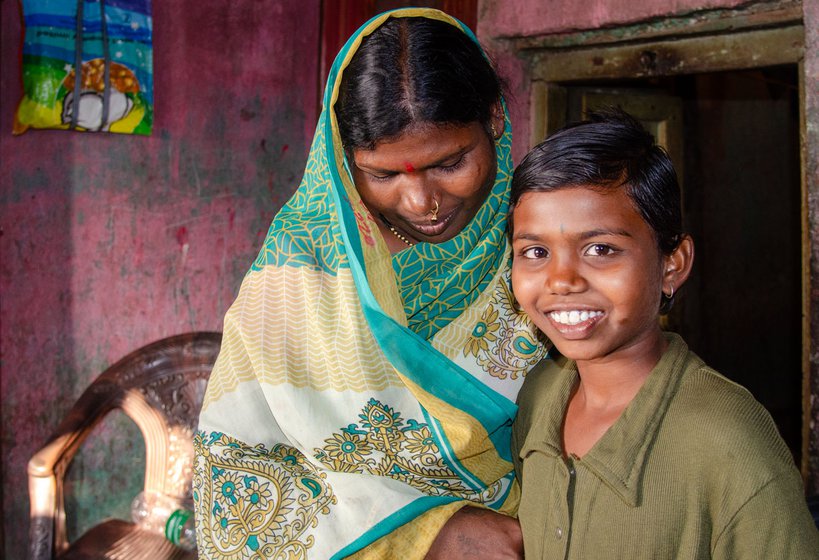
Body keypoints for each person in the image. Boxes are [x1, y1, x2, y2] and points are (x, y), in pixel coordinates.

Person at [193, 8, 547, 559]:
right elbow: (239, 463)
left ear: (496, 120)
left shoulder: (542, 234)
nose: (422, 202)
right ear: (342, 157)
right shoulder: (300, 266)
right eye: (382, 175)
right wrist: (428, 532)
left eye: (450, 162)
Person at [508, 108, 819, 559]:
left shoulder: (727, 439)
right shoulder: (539, 395)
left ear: (672, 263)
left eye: (600, 249)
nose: (561, 280)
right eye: (534, 251)